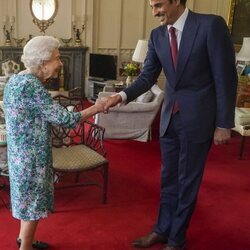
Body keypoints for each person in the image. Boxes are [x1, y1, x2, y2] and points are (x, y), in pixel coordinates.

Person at [102, 0, 237, 249]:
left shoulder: (210, 26)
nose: (154, 12)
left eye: (159, 5)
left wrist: (223, 123)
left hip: (199, 119)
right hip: (169, 120)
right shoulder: (157, 36)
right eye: (152, 6)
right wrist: (120, 96)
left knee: (187, 181)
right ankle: (162, 230)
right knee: (168, 179)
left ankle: (177, 239)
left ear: (177, 1)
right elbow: (146, 77)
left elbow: (226, 78)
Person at [3, 36, 106, 250]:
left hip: (19, 154)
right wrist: (97, 107)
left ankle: (25, 239)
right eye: (56, 58)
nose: (60, 63)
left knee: (28, 200)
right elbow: (66, 120)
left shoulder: (17, 79)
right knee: (33, 204)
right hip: (31, 157)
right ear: (42, 62)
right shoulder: (31, 86)